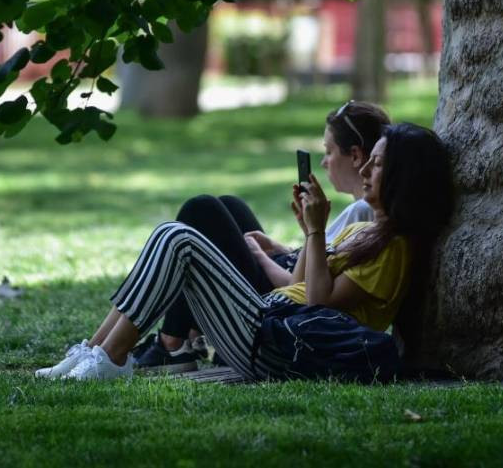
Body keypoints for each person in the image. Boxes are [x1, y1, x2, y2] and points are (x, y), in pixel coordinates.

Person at [34, 121, 453, 382]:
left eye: (376, 165)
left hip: (278, 345)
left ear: (401, 178)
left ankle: (111, 357)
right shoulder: (364, 229)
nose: (364, 170)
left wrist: (319, 230)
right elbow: (301, 284)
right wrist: (310, 229)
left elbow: (317, 304)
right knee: (175, 233)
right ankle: (97, 351)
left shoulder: (395, 249)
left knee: (179, 236)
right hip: (268, 322)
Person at [130, 101, 391, 373]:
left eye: (329, 151)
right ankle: (190, 336)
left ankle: (172, 344)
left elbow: (302, 288)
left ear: (356, 156)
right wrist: (286, 249)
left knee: (202, 211)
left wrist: (259, 256)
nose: (324, 162)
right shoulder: (360, 213)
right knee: (231, 206)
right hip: (289, 289)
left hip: (283, 312)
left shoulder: (363, 213)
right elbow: (324, 258)